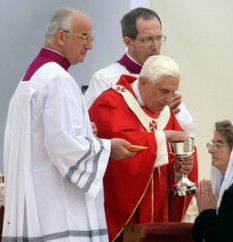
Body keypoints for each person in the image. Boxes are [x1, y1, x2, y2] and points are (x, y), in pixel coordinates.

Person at [2, 8, 135, 242]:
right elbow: (64, 146)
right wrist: (108, 147)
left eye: (91, 38)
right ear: (61, 37)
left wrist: (85, 131)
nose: (90, 46)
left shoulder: (34, 76)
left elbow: (45, 135)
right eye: (84, 37)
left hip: (37, 200)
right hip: (57, 212)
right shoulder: (58, 80)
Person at [89, 55, 198, 241]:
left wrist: (181, 164)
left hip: (159, 215)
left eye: (174, 92)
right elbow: (124, 149)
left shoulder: (164, 112)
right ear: (144, 83)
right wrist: (164, 137)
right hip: (126, 216)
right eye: (164, 91)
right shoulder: (110, 103)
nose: (169, 99)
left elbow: (176, 153)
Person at [84, 7, 196, 137]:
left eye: (159, 38)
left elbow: (188, 131)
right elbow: (88, 129)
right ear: (128, 42)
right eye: (147, 39)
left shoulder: (166, 77)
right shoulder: (105, 79)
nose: (155, 46)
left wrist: (165, 112)